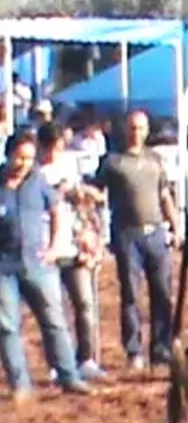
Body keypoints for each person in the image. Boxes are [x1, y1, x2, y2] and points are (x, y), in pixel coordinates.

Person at [0, 132, 95, 403]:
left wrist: (54, 246)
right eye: (19, 157)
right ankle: (20, 383)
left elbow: (56, 211)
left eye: (29, 158)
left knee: (53, 320)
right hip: (4, 266)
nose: (23, 163)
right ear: (8, 155)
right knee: (7, 326)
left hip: (37, 262)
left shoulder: (38, 181)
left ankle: (69, 376)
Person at [87, 110, 182, 372]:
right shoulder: (113, 162)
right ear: (124, 129)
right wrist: (82, 195)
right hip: (127, 234)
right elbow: (97, 190)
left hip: (156, 233)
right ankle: (134, 351)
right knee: (131, 295)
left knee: (162, 294)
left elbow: (165, 196)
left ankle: (161, 349)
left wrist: (175, 225)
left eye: (140, 128)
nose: (136, 133)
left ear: (147, 130)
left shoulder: (155, 160)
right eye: (132, 127)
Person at [36, 122, 107, 382]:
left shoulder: (69, 166)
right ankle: (59, 362)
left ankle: (86, 358)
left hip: (75, 243)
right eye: (53, 147)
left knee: (85, 304)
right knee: (53, 310)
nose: (56, 152)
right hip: (45, 246)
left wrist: (90, 232)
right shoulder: (35, 174)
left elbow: (84, 203)